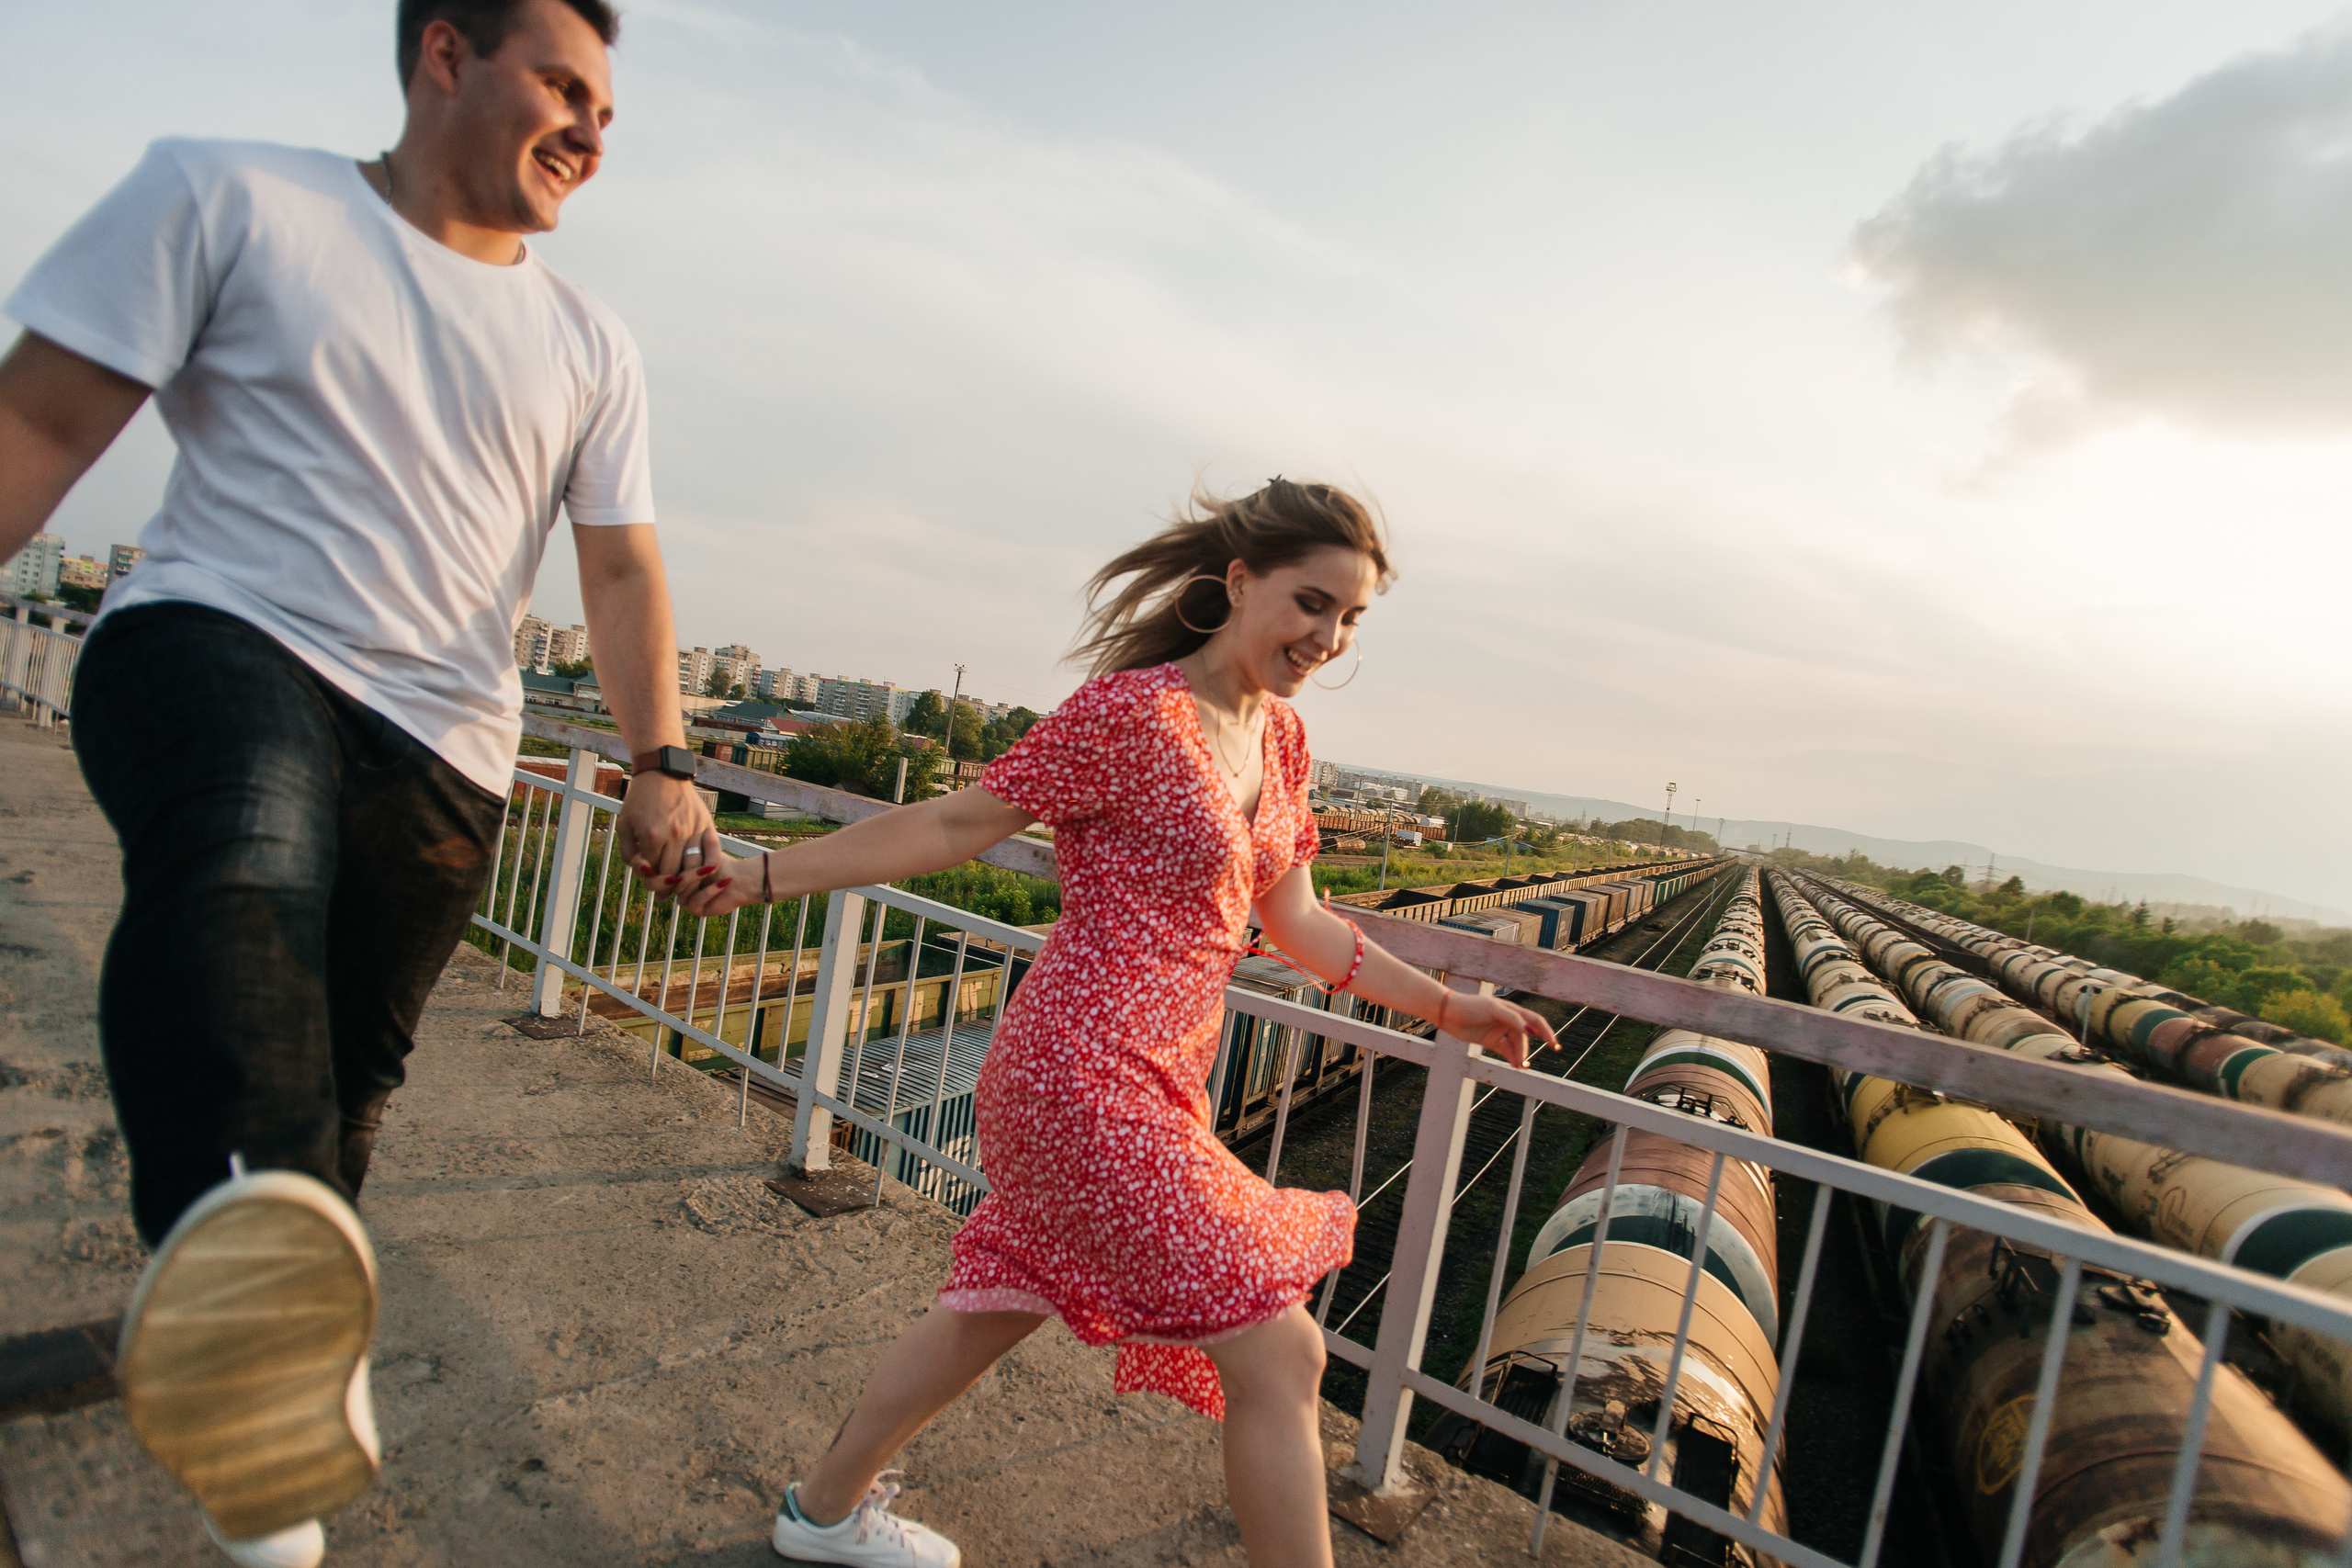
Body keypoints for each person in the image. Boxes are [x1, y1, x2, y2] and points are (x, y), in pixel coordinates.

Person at [0, 3, 718, 1563]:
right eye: (562, 84)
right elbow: (38, 425)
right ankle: (267, 1365)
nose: (594, 129)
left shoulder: (591, 343)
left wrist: (661, 761)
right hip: (218, 635)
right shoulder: (230, 196)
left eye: (610, 105)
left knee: (342, 1081)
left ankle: (227, 1326)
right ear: (444, 54)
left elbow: (619, 567)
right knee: (240, 863)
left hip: (446, 745)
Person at [671, 479, 1557, 1568]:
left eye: (1350, 618)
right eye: (1310, 603)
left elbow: (1300, 921)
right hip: (1079, 1077)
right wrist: (762, 877)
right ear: (1239, 582)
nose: (1327, 636)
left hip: (1158, 1082)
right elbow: (958, 820)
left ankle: (821, 1516)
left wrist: (1447, 1006)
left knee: (989, 1309)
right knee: (1281, 1358)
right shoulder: (1130, 715)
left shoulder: (1281, 744)